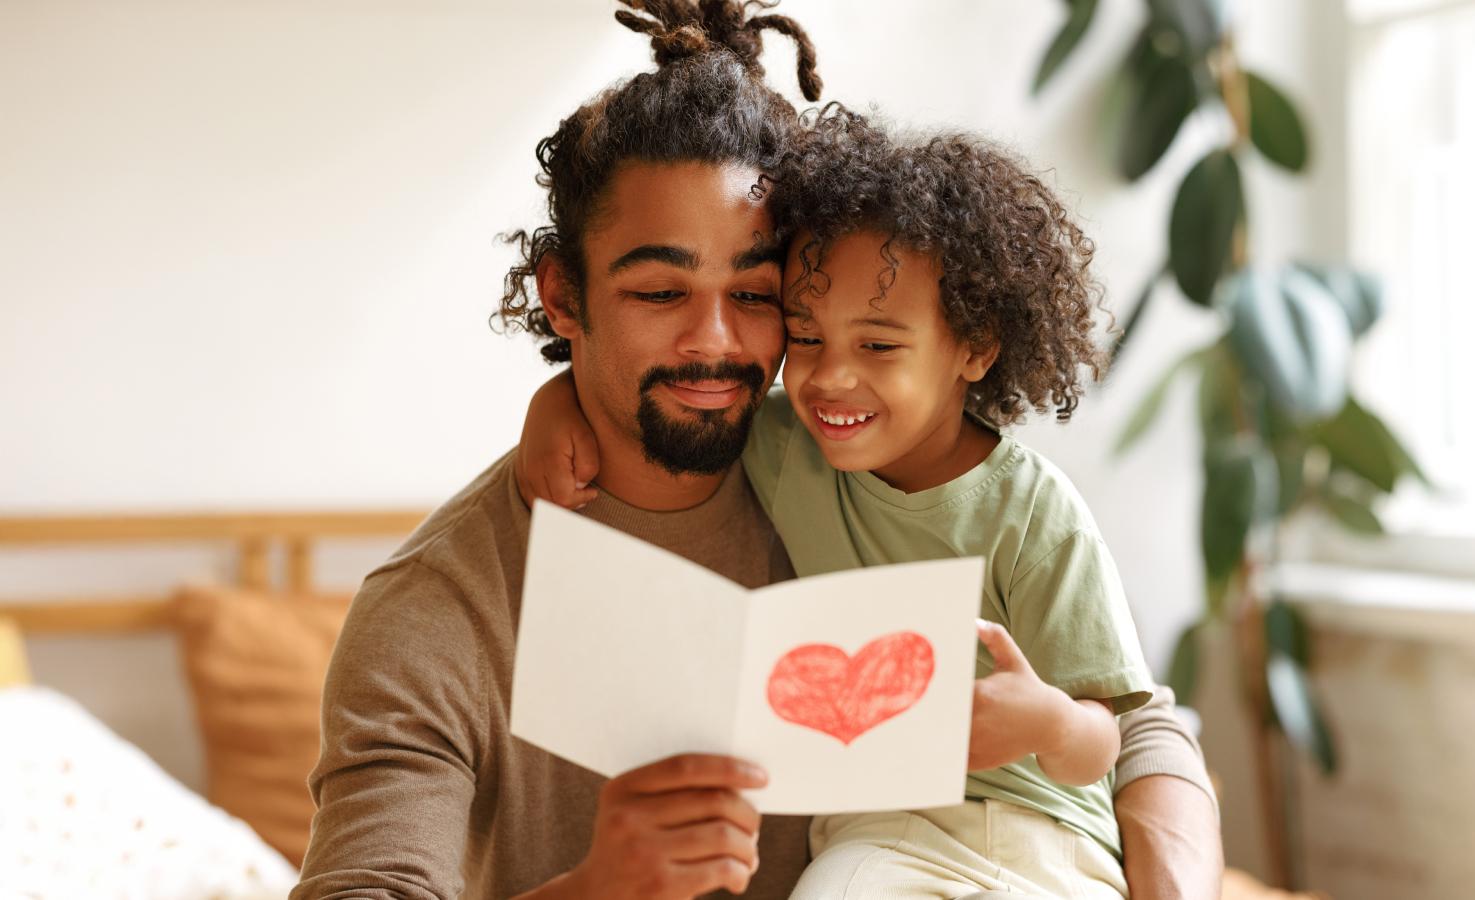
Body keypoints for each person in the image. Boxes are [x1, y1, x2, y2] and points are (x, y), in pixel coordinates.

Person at [294, 3, 1222, 899]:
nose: (717, 345)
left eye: (757, 294)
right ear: (563, 299)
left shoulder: (834, 470)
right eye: (660, 294)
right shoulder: (440, 609)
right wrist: (602, 889)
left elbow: (1132, 724)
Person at [519, 106, 1172, 899]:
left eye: (879, 345)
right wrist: (552, 406)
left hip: (1040, 838)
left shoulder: (1035, 516)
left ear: (974, 346)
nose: (830, 378)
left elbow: (1112, 738)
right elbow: (655, 398)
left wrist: (1049, 723)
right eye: (807, 336)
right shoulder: (789, 445)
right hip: (876, 836)